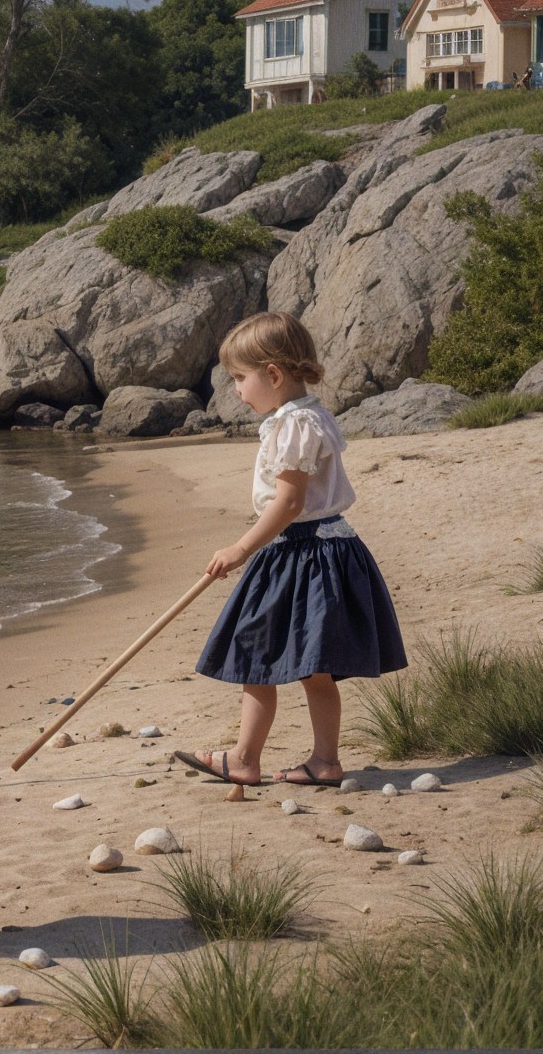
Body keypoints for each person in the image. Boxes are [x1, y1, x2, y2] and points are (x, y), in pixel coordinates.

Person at [173, 312, 407, 789]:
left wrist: (241, 547)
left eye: (241, 378)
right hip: (320, 550)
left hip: (303, 555)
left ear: (274, 374)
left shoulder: (295, 425)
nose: (237, 390)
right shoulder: (307, 415)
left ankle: (247, 759)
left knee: (259, 654)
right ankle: (319, 761)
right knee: (307, 665)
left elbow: (291, 500)